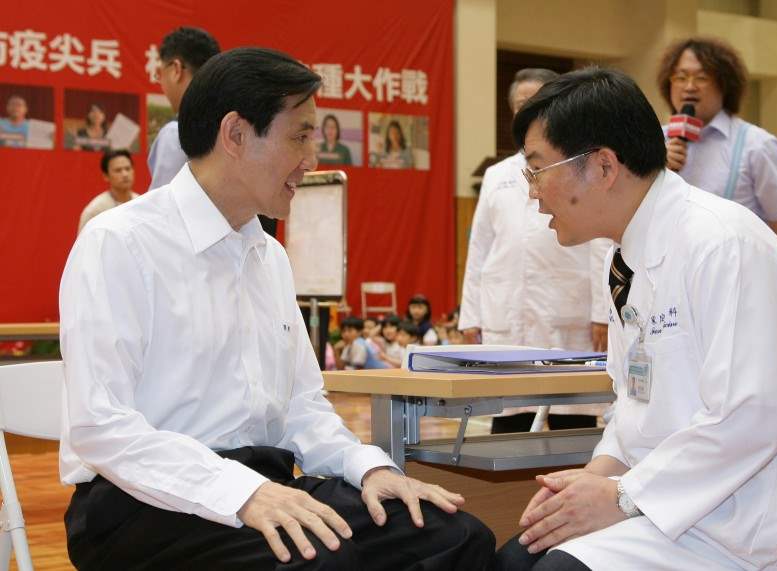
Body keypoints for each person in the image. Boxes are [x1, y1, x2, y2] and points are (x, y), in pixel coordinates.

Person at [60, 47, 494, 570]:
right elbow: (101, 425)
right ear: (236, 134)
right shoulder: (119, 242)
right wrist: (240, 492)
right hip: (139, 500)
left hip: (263, 482)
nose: (313, 159)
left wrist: (369, 468)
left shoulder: (270, 257)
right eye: (299, 137)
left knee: (453, 536)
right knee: (322, 561)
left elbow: (301, 408)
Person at [494, 66, 777, 570]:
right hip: (657, 499)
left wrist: (621, 496)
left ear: (604, 166)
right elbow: (634, 406)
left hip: (737, 519)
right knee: (515, 558)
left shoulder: (723, 244)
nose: (532, 192)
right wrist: (591, 482)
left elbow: (752, 416)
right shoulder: (624, 259)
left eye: (537, 170)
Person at [459, 68, 610, 433]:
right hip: (507, 313)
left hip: (568, 312)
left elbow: (600, 240)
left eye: (537, 102)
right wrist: (470, 317)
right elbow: (480, 247)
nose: (527, 110)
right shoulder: (497, 175)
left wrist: (603, 311)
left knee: (572, 418)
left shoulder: (580, 164)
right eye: (520, 104)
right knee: (508, 417)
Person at [659, 37, 777, 252]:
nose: (689, 87)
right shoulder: (654, 140)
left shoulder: (757, 144)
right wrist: (656, 169)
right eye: (680, 77)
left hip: (736, 267)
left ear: (724, 85)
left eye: (701, 77)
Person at [148, 26, 220, 190]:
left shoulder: (175, 133)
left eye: (159, 73)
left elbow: (164, 202)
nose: (160, 81)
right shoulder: (235, 126)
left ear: (176, 69)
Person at [77, 149, 138, 233]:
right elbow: (84, 241)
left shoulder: (141, 203)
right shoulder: (94, 211)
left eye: (128, 169)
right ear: (106, 176)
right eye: (118, 170)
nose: (125, 174)